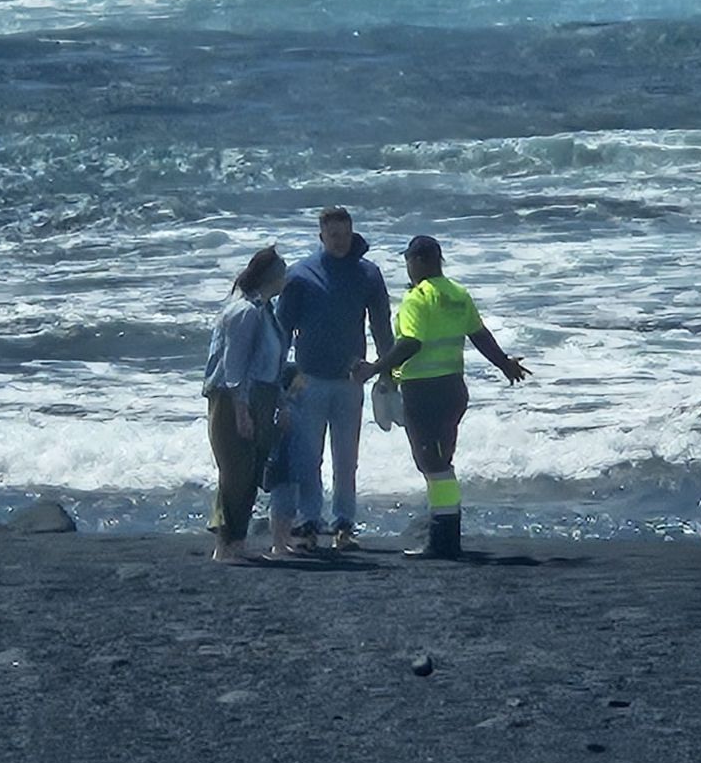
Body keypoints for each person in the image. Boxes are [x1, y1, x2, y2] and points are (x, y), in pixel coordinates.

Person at [354, 235, 528, 559]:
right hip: (454, 390)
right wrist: (504, 364)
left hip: (424, 392)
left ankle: (442, 539)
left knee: (432, 464)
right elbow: (480, 336)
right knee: (441, 460)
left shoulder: (418, 299)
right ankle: (446, 534)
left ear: (418, 261)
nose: (408, 268)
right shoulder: (457, 294)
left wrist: (374, 368)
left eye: (408, 261)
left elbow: (411, 343)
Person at [271, 206, 392, 553]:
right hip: (308, 379)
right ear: (321, 235)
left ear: (352, 232)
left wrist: (388, 372)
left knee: (346, 456)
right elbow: (281, 332)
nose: (340, 241)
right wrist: (280, 375)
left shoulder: (367, 273)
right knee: (308, 457)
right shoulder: (301, 275)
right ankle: (309, 521)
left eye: (345, 233)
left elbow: (381, 326)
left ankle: (344, 523)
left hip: (350, 379)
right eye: (333, 235)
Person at [202, 245, 288, 562]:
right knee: (236, 471)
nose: (286, 277)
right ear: (271, 277)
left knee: (251, 471)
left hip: (261, 395)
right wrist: (241, 408)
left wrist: (279, 402)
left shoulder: (266, 310)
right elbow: (233, 365)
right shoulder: (245, 312)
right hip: (234, 396)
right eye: (283, 271)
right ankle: (226, 544)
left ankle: (236, 542)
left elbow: (273, 363)